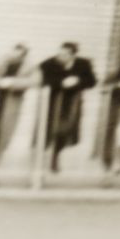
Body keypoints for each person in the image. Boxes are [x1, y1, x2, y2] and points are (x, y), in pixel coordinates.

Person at [38, 42, 98, 174]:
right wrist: (61, 82)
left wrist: (77, 81)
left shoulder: (83, 64)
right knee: (48, 129)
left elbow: (92, 81)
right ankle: (40, 160)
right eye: (60, 53)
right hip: (53, 101)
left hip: (71, 102)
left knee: (64, 129)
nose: (61, 56)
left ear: (73, 55)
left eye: (65, 54)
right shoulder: (49, 63)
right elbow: (43, 78)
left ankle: (55, 155)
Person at [0, 43, 34, 186]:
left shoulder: (28, 68)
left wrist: (13, 83)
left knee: (3, 138)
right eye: (14, 52)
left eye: (20, 54)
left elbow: (34, 81)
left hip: (10, 106)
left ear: (24, 56)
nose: (15, 56)